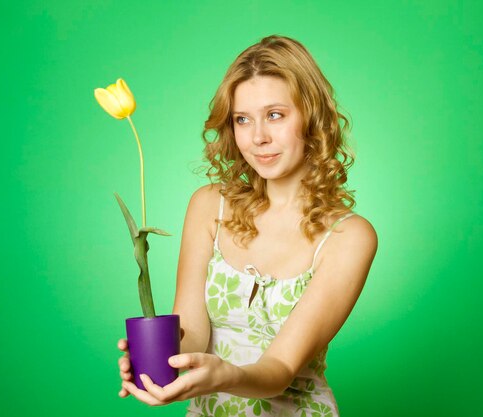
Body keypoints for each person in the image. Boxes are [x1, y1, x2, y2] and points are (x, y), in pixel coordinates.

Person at [117, 34, 377, 416]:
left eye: (275, 115)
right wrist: (159, 360)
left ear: (312, 116)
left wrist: (222, 374)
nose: (258, 138)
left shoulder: (348, 236)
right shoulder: (209, 206)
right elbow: (192, 328)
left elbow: (280, 370)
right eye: (242, 119)